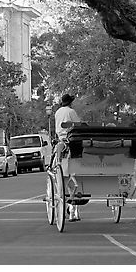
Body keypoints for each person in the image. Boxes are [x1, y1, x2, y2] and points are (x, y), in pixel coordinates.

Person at [54, 93, 82, 222]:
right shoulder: (71, 112)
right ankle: (73, 211)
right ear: (70, 103)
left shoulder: (57, 112)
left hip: (61, 140)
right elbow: (78, 125)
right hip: (72, 140)